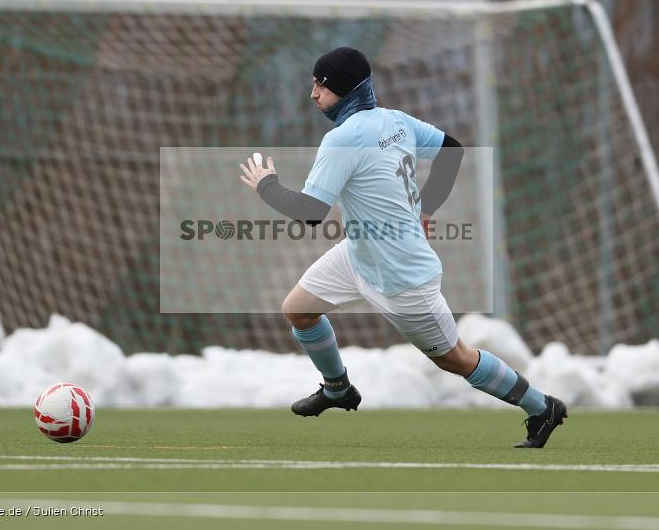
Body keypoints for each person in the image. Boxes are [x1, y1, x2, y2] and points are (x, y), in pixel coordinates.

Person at [239, 47, 567, 448]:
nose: (313, 94)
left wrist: (266, 186)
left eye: (319, 84)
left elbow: (311, 213)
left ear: (341, 88)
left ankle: (541, 407)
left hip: (403, 276)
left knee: (455, 359)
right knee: (299, 309)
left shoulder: (342, 139)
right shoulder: (395, 121)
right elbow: (452, 150)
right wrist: (427, 208)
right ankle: (338, 389)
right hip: (358, 254)